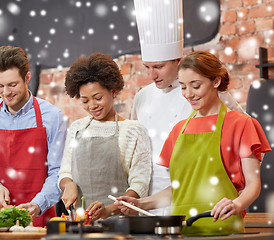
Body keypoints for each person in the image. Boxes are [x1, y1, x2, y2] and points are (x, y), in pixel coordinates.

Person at [115, 51, 272, 234]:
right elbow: (178, 189)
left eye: (195, 86)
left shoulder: (242, 124)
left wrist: (236, 204)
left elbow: (253, 184)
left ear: (216, 81)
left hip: (223, 227)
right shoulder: (179, 130)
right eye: (183, 87)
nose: (189, 94)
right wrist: (140, 203)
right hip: (183, 230)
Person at [132, 0, 245, 215]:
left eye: (159, 67)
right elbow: (139, 151)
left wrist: (234, 189)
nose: (152, 75)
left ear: (178, 61)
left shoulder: (208, 93)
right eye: (147, 67)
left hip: (201, 198)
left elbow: (246, 139)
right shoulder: (142, 97)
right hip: (152, 199)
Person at [0, 46, 67, 226]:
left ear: (27, 78)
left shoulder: (52, 117)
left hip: (40, 214)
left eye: (12, 85)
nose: (6, 93)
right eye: (0, 86)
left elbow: (58, 171)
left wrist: (38, 203)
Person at [58, 52, 152, 220]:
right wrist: (68, 184)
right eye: (85, 101)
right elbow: (65, 172)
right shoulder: (77, 128)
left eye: (98, 98)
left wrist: (108, 210)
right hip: (80, 224)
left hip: (121, 223)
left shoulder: (133, 130)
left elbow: (139, 185)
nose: (92, 106)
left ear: (113, 92)